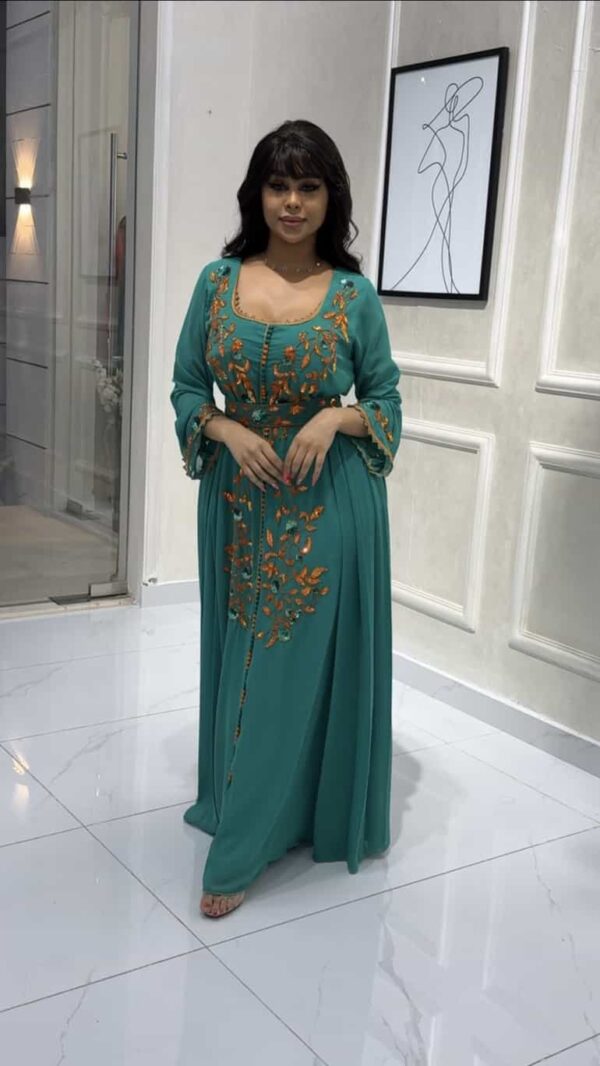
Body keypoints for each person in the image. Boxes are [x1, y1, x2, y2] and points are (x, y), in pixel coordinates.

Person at [171, 119, 402, 919]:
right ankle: (269, 806)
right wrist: (225, 430)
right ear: (257, 194)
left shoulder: (352, 297)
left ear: (331, 197)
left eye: (309, 186)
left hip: (325, 500)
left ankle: (241, 851)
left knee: (288, 667)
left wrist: (333, 418)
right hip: (236, 502)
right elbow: (187, 388)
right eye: (279, 186)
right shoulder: (217, 284)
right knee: (244, 662)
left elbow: (386, 401)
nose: (293, 202)